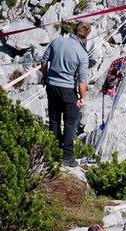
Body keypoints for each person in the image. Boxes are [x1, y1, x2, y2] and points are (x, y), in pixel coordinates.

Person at [41, 21, 91, 167]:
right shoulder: (82, 54)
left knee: (54, 119)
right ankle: (67, 157)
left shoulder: (57, 41)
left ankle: (53, 150)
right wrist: (82, 98)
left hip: (51, 86)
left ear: (74, 30)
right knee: (70, 123)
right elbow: (82, 81)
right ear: (85, 36)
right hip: (68, 90)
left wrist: (45, 77)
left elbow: (43, 62)